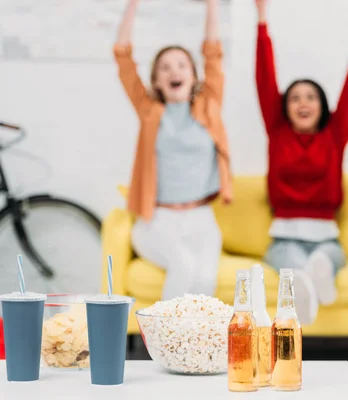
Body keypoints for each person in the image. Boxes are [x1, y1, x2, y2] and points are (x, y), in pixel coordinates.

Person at [255, 0, 348, 324]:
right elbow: (264, 78)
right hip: (286, 236)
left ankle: (314, 272)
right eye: (294, 97)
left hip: (326, 236)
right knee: (290, 262)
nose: (303, 103)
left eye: (311, 97)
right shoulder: (278, 133)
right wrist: (261, 19)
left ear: (323, 106)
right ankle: (309, 277)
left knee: (331, 256)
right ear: (284, 107)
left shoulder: (335, 134)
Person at [114, 0, 232, 301]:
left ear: (194, 76)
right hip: (157, 221)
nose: (173, 72)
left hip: (201, 217)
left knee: (205, 279)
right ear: (156, 81)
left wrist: (212, 6)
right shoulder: (150, 111)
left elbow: (213, 52)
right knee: (183, 263)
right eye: (165, 68)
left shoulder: (209, 105)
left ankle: (197, 348)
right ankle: (164, 346)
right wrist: (132, 5)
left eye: (181, 65)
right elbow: (123, 57)